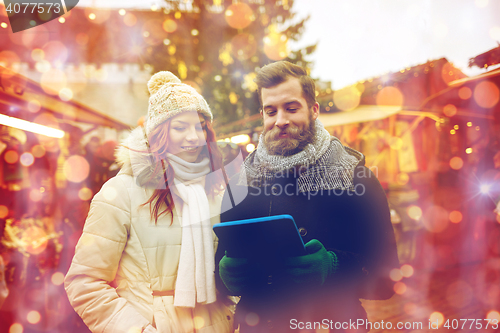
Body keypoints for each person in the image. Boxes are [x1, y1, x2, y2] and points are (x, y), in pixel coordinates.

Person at [216, 61, 399, 333]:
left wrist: (333, 266)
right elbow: (220, 271)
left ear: (314, 110)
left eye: (291, 108)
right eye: (271, 111)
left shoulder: (355, 177)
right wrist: (224, 276)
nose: (280, 121)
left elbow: (387, 280)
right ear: (262, 115)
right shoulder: (239, 184)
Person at [65, 71, 234, 333]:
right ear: (158, 135)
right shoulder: (121, 192)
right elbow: (85, 282)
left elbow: (228, 271)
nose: (194, 137)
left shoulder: (215, 190)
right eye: (180, 127)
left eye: (200, 126)